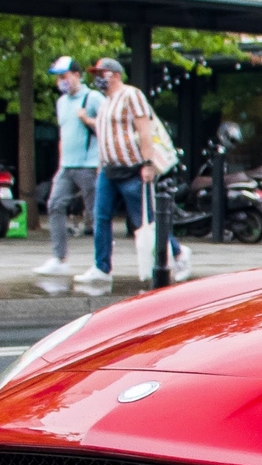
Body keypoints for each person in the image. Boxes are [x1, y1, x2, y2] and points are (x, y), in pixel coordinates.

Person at [81, 57, 189, 292]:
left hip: (132, 170)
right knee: (101, 217)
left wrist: (148, 163)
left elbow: (144, 130)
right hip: (109, 170)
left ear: (116, 75)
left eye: (103, 73)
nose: (98, 78)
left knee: (146, 220)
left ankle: (177, 253)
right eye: (96, 74)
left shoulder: (132, 95)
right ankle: (101, 267)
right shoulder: (105, 102)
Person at [33, 56, 101, 276]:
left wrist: (88, 121)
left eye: (64, 76)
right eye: (58, 78)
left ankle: (101, 263)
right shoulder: (61, 102)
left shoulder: (93, 98)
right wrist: (61, 163)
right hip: (67, 166)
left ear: (77, 75)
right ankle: (59, 258)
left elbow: (109, 126)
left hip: (89, 166)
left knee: (95, 214)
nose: (60, 82)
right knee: (55, 204)